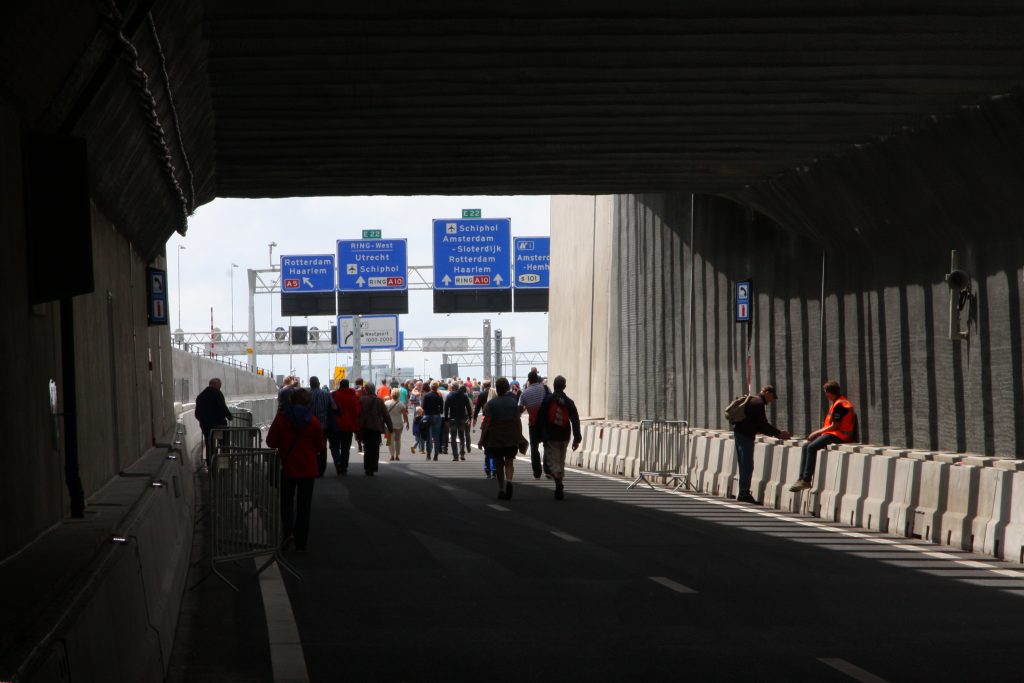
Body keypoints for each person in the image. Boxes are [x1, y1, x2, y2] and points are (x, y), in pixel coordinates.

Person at [266, 388, 323, 552]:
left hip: (288, 467)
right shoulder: (312, 421)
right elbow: (319, 445)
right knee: (304, 506)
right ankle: (301, 542)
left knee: (286, 503)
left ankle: (287, 534)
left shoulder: (282, 419)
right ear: (307, 402)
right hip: (308, 468)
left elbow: (270, 442)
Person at [789, 380, 857, 492]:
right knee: (806, 446)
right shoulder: (838, 402)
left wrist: (816, 433)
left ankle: (806, 480)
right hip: (834, 433)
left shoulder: (841, 404)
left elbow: (835, 426)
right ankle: (801, 479)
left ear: (830, 393)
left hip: (841, 435)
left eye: (826, 393)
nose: (826, 396)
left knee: (811, 447)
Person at [732, 385, 791, 504]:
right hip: (746, 436)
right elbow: (763, 424)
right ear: (766, 392)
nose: (771, 400)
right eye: (772, 397)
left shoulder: (753, 400)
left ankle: (743, 492)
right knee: (747, 465)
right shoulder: (758, 403)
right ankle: (744, 493)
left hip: (740, 433)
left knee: (744, 465)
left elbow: (758, 424)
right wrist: (779, 433)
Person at [479, 377, 527, 500]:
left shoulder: (491, 404)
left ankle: (501, 488)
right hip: (511, 436)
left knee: (499, 463)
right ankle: (509, 481)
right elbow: (518, 421)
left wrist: (482, 439)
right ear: (507, 388)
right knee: (509, 462)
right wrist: (519, 436)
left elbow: (487, 424)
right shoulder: (512, 403)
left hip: (496, 438)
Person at [535, 375, 583, 500]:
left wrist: (539, 435)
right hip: (565, 436)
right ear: (564, 387)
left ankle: (558, 482)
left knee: (553, 462)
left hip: (551, 436)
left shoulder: (547, 400)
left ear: (554, 386)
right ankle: (559, 483)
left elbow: (540, 418)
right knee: (561, 460)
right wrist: (577, 438)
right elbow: (575, 420)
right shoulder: (569, 402)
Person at [518, 370, 551, 478]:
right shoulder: (545, 388)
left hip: (533, 424)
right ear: (537, 379)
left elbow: (519, 410)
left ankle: (537, 472)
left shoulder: (524, 394)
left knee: (534, 448)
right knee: (547, 445)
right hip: (546, 423)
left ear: (528, 381)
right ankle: (548, 470)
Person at [194, 378, 233, 467]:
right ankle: (224, 465)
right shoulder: (217, 394)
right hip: (219, 426)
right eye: (219, 386)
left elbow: (197, 414)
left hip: (206, 427)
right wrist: (229, 416)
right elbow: (223, 407)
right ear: (215, 384)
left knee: (210, 445)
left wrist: (203, 421)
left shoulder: (201, 396)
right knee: (224, 445)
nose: (219, 388)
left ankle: (210, 465)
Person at [359, 383, 393, 476]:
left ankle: (367, 468)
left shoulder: (361, 400)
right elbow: (386, 415)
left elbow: (358, 413)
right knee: (375, 449)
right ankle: (373, 468)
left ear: (366, 390)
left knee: (367, 448)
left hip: (365, 427)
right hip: (376, 428)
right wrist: (390, 427)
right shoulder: (379, 400)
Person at [329, 378, 361, 476]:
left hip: (336, 425)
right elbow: (357, 411)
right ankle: (344, 466)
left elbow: (330, 409)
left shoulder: (334, 395)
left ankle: (338, 463)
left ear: (340, 385)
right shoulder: (353, 397)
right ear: (348, 385)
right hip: (349, 426)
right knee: (345, 448)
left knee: (334, 446)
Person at [308, 376, 336, 477]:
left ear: (310, 384)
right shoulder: (326, 394)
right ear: (319, 383)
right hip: (324, 425)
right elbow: (334, 407)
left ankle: (313, 468)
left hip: (311, 426)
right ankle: (321, 469)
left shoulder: (308, 395)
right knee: (322, 447)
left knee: (312, 447)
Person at [444, 382, 473, 461]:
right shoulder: (464, 395)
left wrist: (446, 418)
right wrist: (470, 418)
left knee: (453, 437)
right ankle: (462, 453)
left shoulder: (450, 395)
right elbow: (468, 407)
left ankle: (455, 456)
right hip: (462, 418)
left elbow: (446, 408)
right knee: (461, 436)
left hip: (453, 418)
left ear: (453, 388)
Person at [421, 380, 444, 460]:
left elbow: (423, 406)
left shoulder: (426, 395)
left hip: (427, 416)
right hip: (436, 416)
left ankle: (428, 454)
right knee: (436, 437)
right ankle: (436, 455)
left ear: (431, 387)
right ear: (437, 387)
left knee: (428, 436)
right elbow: (441, 409)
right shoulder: (439, 396)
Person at [385, 388, 409, 461]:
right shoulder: (401, 404)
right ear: (398, 395)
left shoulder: (386, 403)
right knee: (397, 440)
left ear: (391, 394)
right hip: (399, 423)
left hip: (389, 424)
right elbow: (405, 415)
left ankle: (392, 455)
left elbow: (384, 413)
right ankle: (397, 455)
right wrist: (407, 423)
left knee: (390, 439)